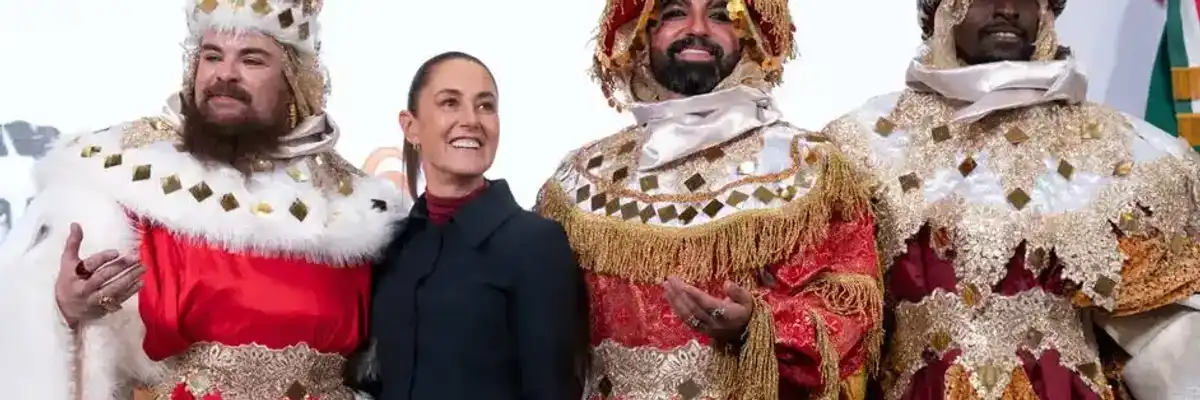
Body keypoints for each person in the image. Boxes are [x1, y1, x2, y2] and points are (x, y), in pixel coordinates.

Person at [0, 0, 407, 398]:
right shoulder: (125, 172)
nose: (224, 74)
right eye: (212, 56)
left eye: (251, 60)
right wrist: (66, 310)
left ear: (293, 81)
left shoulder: (355, 205)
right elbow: (34, 326)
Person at [821, 0, 1200, 399]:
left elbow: (1166, 338)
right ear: (941, 8)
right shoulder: (867, 143)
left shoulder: (1115, 147)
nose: (1007, 9)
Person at [534, 0, 884, 398]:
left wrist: (757, 324)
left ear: (748, 37)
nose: (697, 28)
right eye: (675, 13)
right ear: (641, 34)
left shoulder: (804, 166)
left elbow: (850, 314)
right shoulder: (581, 179)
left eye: (720, 15)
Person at [348, 51, 586, 400]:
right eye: (450, 103)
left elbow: (551, 390)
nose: (471, 120)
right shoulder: (394, 244)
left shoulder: (535, 244)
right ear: (411, 126)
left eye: (485, 106)